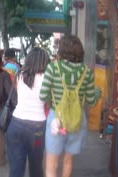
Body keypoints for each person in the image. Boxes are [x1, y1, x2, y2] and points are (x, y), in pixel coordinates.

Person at [39, 35, 101, 177]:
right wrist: (98, 92)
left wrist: (54, 99)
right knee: (68, 160)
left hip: (57, 121)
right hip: (77, 120)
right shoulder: (87, 72)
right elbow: (91, 101)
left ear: (62, 50)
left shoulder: (53, 68)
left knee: (51, 163)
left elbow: (42, 96)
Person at [6, 47, 50, 177]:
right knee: (36, 168)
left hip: (16, 125)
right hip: (37, 130)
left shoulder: (19, 75)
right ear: (44, 61)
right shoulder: (47, 78)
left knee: (15, 169)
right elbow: (47, 103)